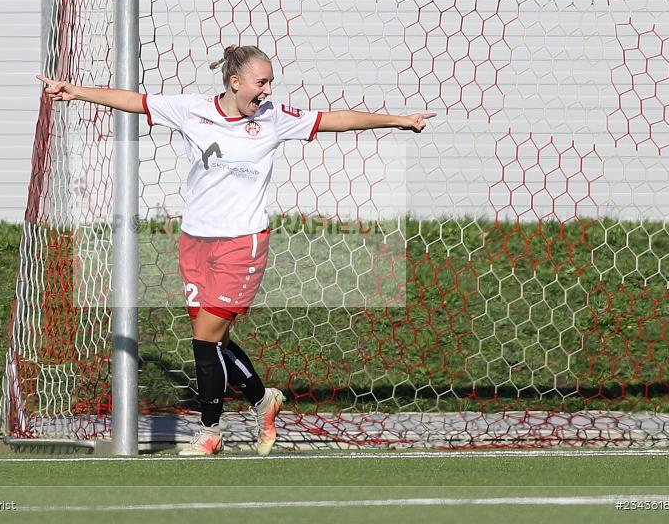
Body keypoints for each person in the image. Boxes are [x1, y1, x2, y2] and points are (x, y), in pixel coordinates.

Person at [36, 45, 435, 456]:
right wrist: (75, 91)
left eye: (269, 83)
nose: (267, 91)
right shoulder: (192, 109)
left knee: (204, 342)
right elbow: (134, 101)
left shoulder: (273, 118)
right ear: (235, 82)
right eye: (261, 83)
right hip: (194, 242)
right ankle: (263, 400)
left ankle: (209, 432)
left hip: (242, 245)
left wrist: (398, 121)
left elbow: (337, 120)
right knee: (216, 343)